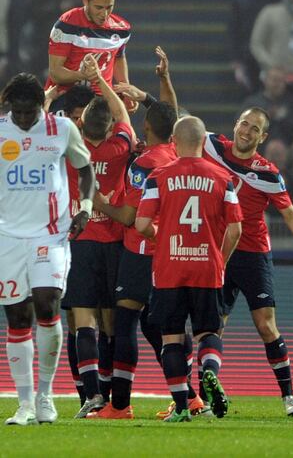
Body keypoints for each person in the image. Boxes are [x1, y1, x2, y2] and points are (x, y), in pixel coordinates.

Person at [87, 48, 193, 420]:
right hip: (170, 251)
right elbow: (171, 116)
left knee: (127, 321)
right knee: (162, 324)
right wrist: (160, 84)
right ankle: (190, 397)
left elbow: (131, 217)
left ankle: (119, 405)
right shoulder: (177, 153)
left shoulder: (143, 163)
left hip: (138, 249)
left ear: (147, 129)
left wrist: (99, 201)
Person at [203, 107, 293, 416]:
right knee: (213, 326)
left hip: (253, 254)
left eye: (254, 128)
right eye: (244, 124)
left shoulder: (268, 173)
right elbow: (180, 122)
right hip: (219, 252)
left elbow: (290, 214)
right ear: (235, 124)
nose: (246, 131)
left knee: (265, 326)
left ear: (263, 137)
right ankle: (207, 398)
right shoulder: (211, 146)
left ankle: (289, 397)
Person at [0, 73, 95, 425]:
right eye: (18, 113)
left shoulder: (62, 129)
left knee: (46, 301)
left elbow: (85, 171)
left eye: (30, 113)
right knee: (17, 317)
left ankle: (45, 395)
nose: (24, 120)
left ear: (43, 105)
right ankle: (24, 404)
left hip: (50, 234)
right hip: (7, 237)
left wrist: (84, 207)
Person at [135, 116, 243, 422]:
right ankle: (209, 371)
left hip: (169, 267)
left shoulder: (158, 177)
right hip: (207, 266)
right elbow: (235, 229)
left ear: (174, 140)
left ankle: (182, 407)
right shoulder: (224, 178)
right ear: (201, 142)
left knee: (171, 338)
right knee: (209, 331)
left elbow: (142, 223)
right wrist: (219, 258)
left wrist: (161, 236)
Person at [62, 55, 136, 418]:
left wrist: (49, 94)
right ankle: (107, 395)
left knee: (82, 319)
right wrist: (102, 83)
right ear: (107, 130)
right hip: (115, 241)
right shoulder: (120, 144)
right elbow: (120, 112)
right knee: (110, 323)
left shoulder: (70, 151)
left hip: (79, 239)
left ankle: (90, 395)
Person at [45, 0, 136, 114]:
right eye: (98, 7)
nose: (104, 14)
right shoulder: (67, 25)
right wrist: (83, 75)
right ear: (85, 1)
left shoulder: (122, 29)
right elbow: (55, 73)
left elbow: (118, 57)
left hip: (101, 102)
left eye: (109, 7)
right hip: (65, 99)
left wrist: (126, 89)